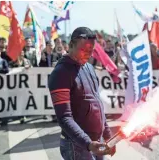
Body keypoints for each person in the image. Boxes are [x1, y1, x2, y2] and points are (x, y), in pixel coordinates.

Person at [48, 27, 115, 160]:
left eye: (91, 51)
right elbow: (64, 118)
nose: (88, 55)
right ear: (71, 45)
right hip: (76, 145)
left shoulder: (89, 67)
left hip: (96, 141)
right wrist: (88, 143)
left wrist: (108, 135)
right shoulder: (61, 73)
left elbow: (97, 103)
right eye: (83, 50)